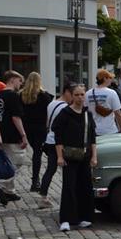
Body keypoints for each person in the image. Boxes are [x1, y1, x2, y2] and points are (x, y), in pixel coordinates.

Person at [52, 84, 97, 232]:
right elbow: (58, 137)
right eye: (76, 95)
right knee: (69, 187)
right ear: (72, 96)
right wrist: (59, 156)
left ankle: (84, 217)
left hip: (85, 156)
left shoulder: (87, 114)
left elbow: (92, 137)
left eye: (82, 94)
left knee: (85, 186)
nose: (79, 97)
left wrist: (94, 156)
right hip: (70, 156)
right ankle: (66, 219)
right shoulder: (65, 113)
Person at [0, 71, 27, 203]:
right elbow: (16, 117)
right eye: (19, 81)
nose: (20, 84)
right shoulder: (13, 96)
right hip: (12, 135)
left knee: (7, 161)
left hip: (0, 133)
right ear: (12, 80)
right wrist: (23, 135)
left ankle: (9, 191)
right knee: (16, 162)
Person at [38, 81, 75, 209]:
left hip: (49, 140)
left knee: (50, 169)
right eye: (73, 94)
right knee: (66, 170)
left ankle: (43, 196)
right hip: (59, 142)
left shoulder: (52, 103)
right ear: (66, 92)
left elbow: (48, 122)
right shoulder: (65, 107)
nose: (74, 97)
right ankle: (69, 197)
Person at [20, 71, 54, 192]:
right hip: (40, 128)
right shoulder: (45, 96)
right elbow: (49, 113)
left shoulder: (21, 96)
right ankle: (35, 181)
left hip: (27, 127)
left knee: (36, 151)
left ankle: (35, 180)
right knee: (37, 153)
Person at [86, 69, 121, 135]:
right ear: (104, 79)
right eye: (110, 78)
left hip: (93, 131)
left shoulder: (87, 93)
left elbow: (85, 112)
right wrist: (120, 129)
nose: (111, 80)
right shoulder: (112, 93)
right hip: (109, 130)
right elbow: (118, 113)